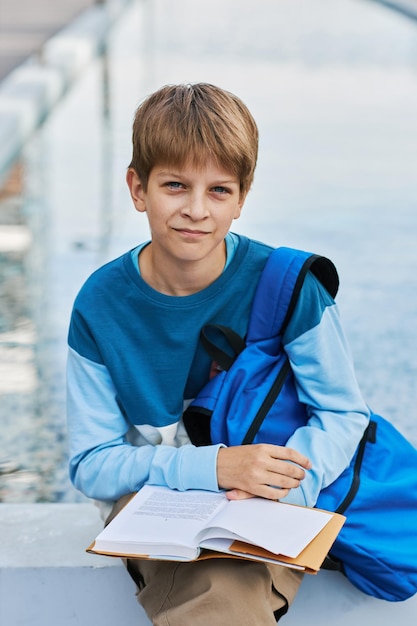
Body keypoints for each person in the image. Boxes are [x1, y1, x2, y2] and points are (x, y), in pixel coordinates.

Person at [66, 83, 370, 625]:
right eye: (175, 186)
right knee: (215, 591)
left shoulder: (289, 286)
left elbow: (344, 413)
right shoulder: (101, 303)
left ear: (242, 197)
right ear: (138, 188)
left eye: (219, 191)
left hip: (269, 495)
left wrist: (288, 488)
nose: (196, 211)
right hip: (157, 498)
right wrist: (214, 467)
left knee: (225, 591)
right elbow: (91, 462)